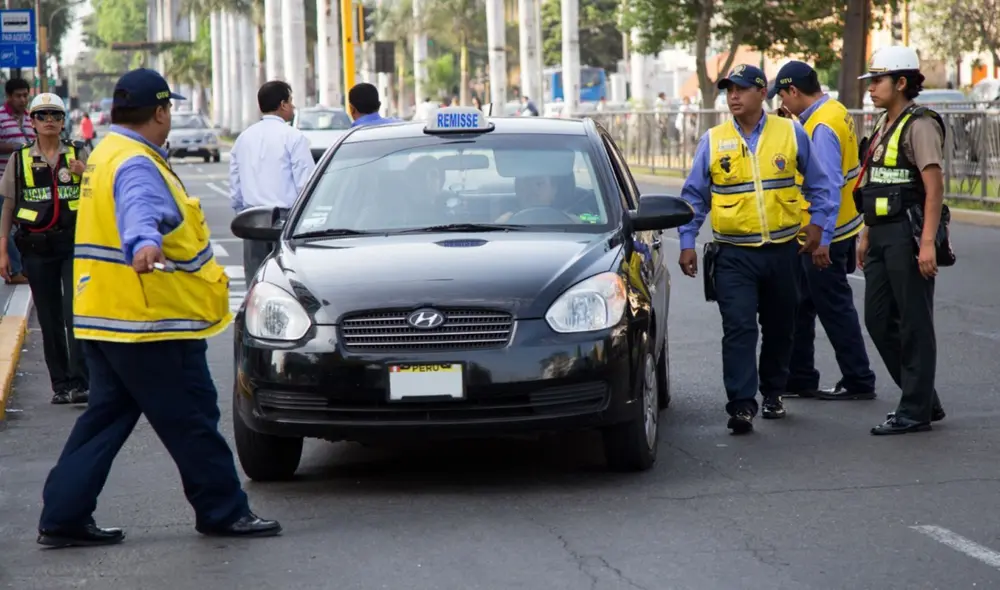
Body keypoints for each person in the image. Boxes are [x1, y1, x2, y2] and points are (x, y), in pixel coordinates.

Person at [37, 68, 280, 548]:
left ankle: (64, 515)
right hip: (150, 322)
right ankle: (223, 510)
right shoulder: (136, 163)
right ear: (162, 112)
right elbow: (138, 211)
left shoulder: (105, 152)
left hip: (105, 319)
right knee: (192, 417)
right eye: (169, 110)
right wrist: (144, 243)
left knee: (104, 420)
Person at [676, 64, 840, 434]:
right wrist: (687, 242)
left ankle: (773, 392)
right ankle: (741, 405)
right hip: (734, 255)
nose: (733, 96)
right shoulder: (713, 140)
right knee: (739, 327)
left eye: (741, 89)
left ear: (761, 92)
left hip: (783, 252)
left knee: (781, 327)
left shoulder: (790, 132)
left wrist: (818, 225)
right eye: (728, 90)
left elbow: (820, 185)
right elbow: (694, 197)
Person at [768, 61, 877, 401]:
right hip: (837, 226)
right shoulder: (834, 110)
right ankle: (800, 377)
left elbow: (827, 186)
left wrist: (822, 241)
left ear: (794, 91)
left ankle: (859, 379)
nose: (783, 104)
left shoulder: (821, 127)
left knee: (834, 307)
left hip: (825, 233)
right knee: (802, 304)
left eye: (783, 96)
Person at [855, 47, 947, 435]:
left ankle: (914, 411)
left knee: (914, 323)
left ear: (901, 82)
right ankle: (923, 397)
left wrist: (927, 243)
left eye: (878, 80)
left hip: (907, 234)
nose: (871, 88)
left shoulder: (919, 125)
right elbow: (875, 182)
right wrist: (865, 234)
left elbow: (934, 188)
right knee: (877, 320)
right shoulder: (883, 123)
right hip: (879, 232)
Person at [0, 93, 90, 405]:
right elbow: (8, 206)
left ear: (63, 121)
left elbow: (102, 193)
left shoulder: (79, 153)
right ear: (33, 122)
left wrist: (86, 174)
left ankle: (80, 382)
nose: (49, 120)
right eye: (42, 115)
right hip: (36, 248)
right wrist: (3, 250)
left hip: (73, 244)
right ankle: (60, 385)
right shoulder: (20, 159)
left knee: (75, 312)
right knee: (50, 318)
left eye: (55, 115)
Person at [229, 80, 315, 281]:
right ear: (283, 104)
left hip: (252, 220)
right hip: (285, 222)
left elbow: (235, 186)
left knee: (256, 282)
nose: (293, 106)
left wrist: (242, 214)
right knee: (286, 283)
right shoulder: (294, 137)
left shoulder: (243, 138)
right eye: (290, 101)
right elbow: (306, 184)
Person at [0, 78, 35, 285]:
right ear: (9, 97)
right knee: (4, 227)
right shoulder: (1, 117)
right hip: (3, 182)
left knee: (26, 225)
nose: (22, 100)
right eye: (18, 96)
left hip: (27, 185)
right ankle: (15, 271)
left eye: (25, 95)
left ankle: (24, 267)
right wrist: (14, 147)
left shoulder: (31, 119)